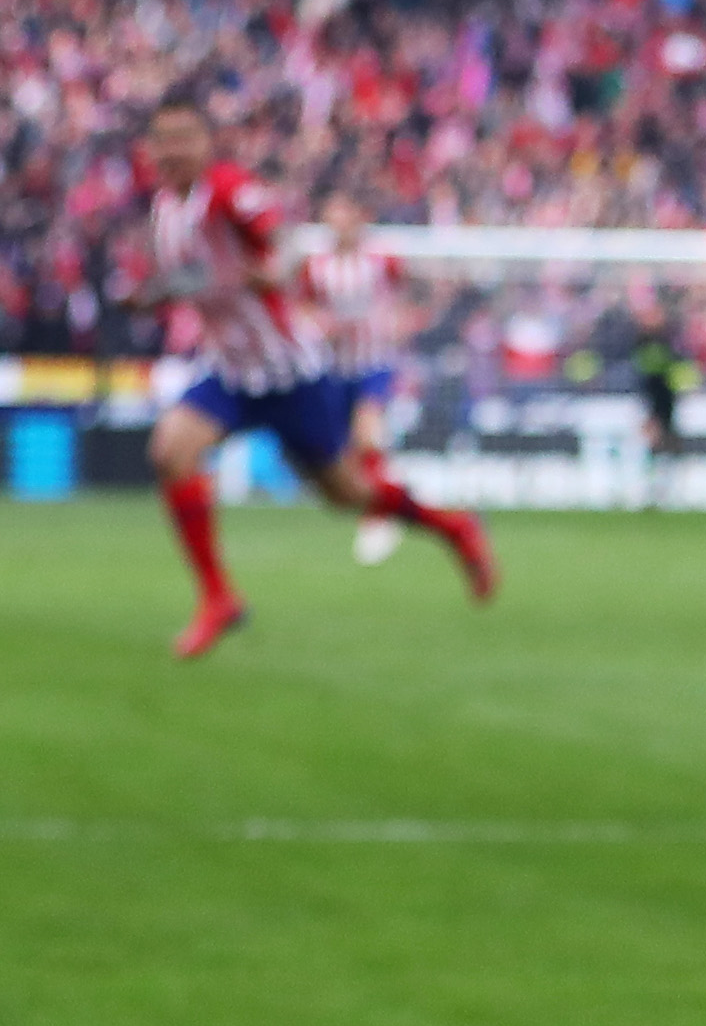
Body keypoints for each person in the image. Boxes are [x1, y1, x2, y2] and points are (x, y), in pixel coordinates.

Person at [130, 97, 493, 658]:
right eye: (165, 138)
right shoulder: (164, 212)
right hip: (230, 372)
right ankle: (218, 598)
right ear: (152, 149)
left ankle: (453, 527)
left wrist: (272, 270)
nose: (174, 149)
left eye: (186, 137)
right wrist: (148, 296)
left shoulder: (227, 190)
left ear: (206, 145)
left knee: (348, 494)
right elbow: (193, 279)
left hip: (291, 373)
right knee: (169, 451)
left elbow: (282, 242)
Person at [298, 192, 416, 567]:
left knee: (367, 433)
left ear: (358, 219)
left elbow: (403, 296)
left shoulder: (382, 259)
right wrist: (318, 326)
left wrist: (395, 325)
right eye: (331, 217)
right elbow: (304, 307)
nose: (339, 225)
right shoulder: (315, 267)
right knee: (349, 452)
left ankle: (378, 519)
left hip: (374, 362)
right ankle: (391, 500)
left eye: (344, 216)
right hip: (335, 367)